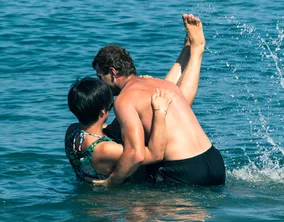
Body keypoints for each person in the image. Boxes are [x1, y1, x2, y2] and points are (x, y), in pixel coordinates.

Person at [91, 14, 225, 187]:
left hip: (183, 171)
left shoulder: (124, 100)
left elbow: (136, 155)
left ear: (113, 72)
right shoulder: (161, 85)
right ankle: (191, 50)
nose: (101, 84)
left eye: (100, 77)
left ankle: (193, 50)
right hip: (213, 161)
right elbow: (183, 102)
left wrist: (111, 181)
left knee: (140, 206)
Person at [65, 80, 172, 182]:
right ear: (103, 112)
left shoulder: (72, 131)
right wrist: (160, 111)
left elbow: (105, 127)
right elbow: (156, 155)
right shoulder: (106, 149)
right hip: (115, 198)